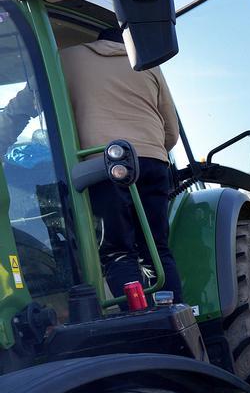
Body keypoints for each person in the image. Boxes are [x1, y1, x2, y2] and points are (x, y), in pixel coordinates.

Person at [61, 26, 183, 302]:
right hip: (153, 163)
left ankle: (138, 318)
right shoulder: (149, 65)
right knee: (157, 250)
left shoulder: (67, 58)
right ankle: (172, 311)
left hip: (104, 164)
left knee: (118, 252)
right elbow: (171, 133)